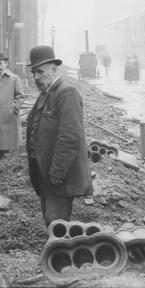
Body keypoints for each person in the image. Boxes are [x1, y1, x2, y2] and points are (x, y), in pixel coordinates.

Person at [26, 45, 92, 227]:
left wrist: (57, 172)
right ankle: (56, 250)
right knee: (51, 219)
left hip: (57, 175)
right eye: (34, 73)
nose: (36, 77)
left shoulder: (66, 93)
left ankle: (59, 253)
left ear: (54, 69)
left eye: (40, 72)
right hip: (45, 173)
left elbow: (70, 137)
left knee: (57, 224)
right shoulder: (46, 94)